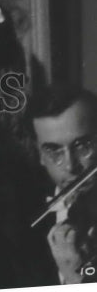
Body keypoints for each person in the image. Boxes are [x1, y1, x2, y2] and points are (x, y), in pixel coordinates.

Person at [29, 85, 97, 284]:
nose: (70, 165)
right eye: (54, 151)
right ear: (40, 155)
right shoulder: (19, 220)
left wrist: (78, 278)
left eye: (83, 146)